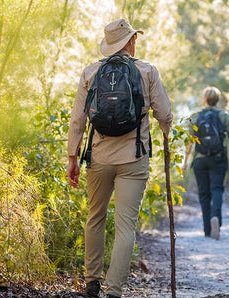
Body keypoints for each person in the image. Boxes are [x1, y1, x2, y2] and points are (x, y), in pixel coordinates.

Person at [67, 19, 173, 298]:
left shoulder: (91, 72)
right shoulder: (147, 70)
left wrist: (72, 157)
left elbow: (78, 119)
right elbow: (163, 113)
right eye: (133, 38)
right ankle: (114, 291)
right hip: (133, 158)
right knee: (125, 226)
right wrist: (165, 127)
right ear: (129, 42)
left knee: (95, 218)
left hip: (98, 158)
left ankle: (92, 282)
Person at [182, 86, 229, 240]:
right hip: (218, 159)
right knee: (217, 189)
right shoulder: (223, 115)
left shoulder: (196, 116)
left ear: (204, 99)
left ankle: (207, 229)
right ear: (218, 100)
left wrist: (185, 162)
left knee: (204, 194)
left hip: (200, 160)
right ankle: (216, 218)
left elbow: (189, 143)